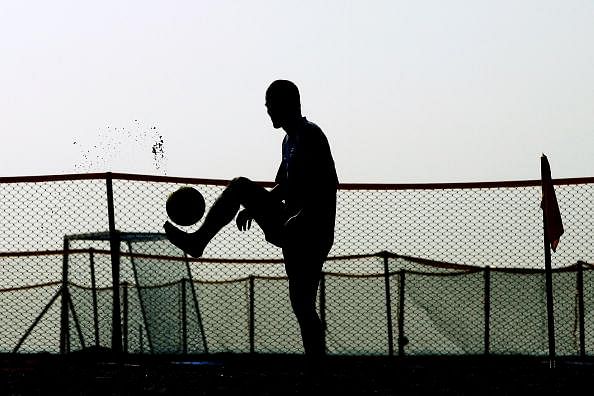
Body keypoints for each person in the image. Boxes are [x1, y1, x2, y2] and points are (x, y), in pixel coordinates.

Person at [164, 79, 338, 358]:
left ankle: (318, 365)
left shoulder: (311, 135)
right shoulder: (288, 140)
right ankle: (198, 241)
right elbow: (285, 185)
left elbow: (325, 187)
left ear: (286, 104)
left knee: (303, 305)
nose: (268, 111)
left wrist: (301, 216)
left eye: (270, 105)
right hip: (290, 223)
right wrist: (258, 204)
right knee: (239, 187)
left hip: (310, 230)